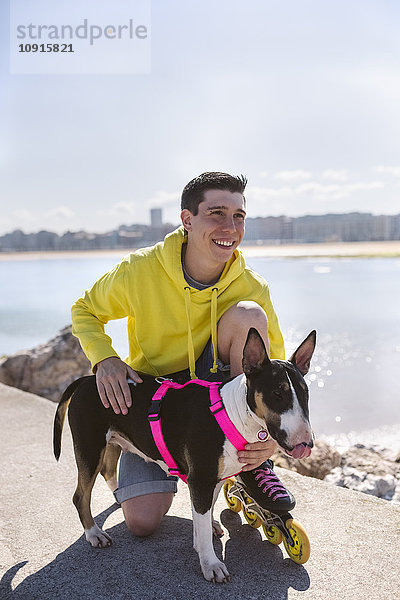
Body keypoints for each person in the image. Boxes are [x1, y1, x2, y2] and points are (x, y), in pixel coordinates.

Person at [71, 171, 295, 538]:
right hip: (155, 405)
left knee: (248, 315)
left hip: (217, 400)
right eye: (217, 213)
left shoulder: (252, 285)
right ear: (188, 220)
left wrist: (269, 438)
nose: (230, 226)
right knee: (142, 523)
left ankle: (251, 465)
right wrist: (104, 358)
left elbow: (275, 372)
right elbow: (84, 310)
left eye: (239, 216)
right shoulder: (139, 270)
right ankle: (126, 446)